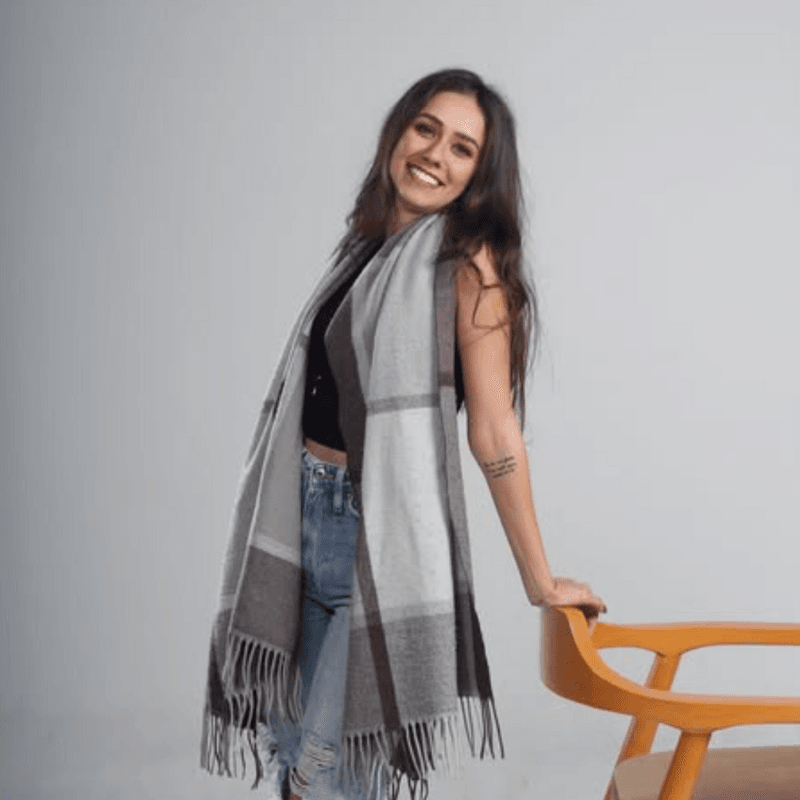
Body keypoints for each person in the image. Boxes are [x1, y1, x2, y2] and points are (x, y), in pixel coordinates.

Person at [204, 67, 607, 800]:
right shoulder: (362, 249)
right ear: (398, 131)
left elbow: (495, 431)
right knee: (292, 756)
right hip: (300, 521)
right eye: (427, 129)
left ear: (480, 174)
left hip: (377, 538)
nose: (435, 155)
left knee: (329, 773)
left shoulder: (471, 267)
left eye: (462, 148)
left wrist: (540, 581)